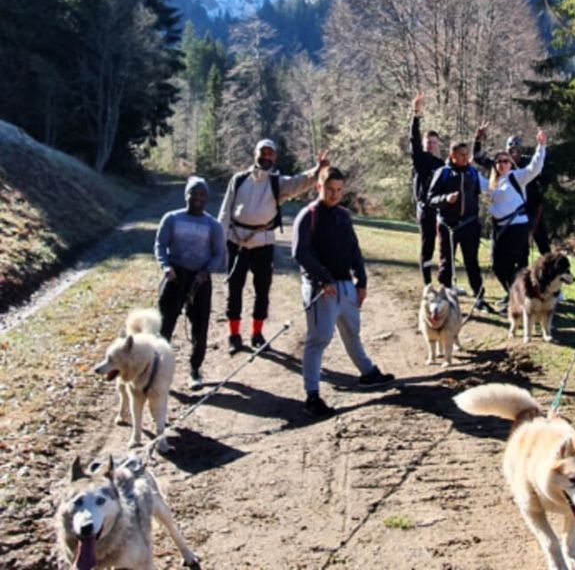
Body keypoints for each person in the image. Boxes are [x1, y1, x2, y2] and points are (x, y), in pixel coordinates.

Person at [292, 165, 395, 417]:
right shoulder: (308, 216)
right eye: (329, 189)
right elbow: (300, 252)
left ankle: (368, 373)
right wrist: (323, 279)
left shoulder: (343, 216)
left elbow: (353, 249)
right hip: (320, 289)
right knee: (319, 340)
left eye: (339, 190)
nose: (334, 195)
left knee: (352, 332)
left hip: (346, 286)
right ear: (319, 187)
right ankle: (312, 396)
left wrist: (361, 282)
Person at [218, 139, 325, 356]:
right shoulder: (239, 180)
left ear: (275, 157)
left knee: (262, 289)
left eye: (270, 154)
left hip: (264, 242)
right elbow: (225, 211)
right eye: (262, 153)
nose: (266, 157)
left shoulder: (278, 183)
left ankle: (257, 334)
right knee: (234, 288)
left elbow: (299, 182)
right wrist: (218, 242)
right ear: (254, 154)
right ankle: (234, 335)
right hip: (236, 240)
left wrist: (317, 170)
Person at [154, 176, 225, 389]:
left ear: (207, 198)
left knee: (200, 328)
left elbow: (218, 253)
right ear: (186, 195)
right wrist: (166, 267)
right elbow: (160, 245)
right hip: (176, 277)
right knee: (165, 325)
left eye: (202, 194)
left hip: (200, 279)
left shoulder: (213, 225)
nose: (198, 198)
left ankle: (195, 370)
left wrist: (207, 272)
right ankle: (158, 370)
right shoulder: (171, 218)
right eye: (194, 193)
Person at [476, 130, 548, 313]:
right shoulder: (491, 183)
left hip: (517, 228)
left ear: (511, 164)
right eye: (498, 161)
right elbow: (474, 165)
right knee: (497, 265)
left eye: (505, 161)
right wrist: (477, 140)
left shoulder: (517, 177)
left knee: (514, 265)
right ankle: (516, 296)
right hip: (499, 229)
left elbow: (535, 167)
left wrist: (541, 146)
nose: (502, 164)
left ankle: (520, 299)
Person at [427, 142, 493, 312]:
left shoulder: (472, 173)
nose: (465, 157)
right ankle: (446, 297)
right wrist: (446, 199)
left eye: (466, 154)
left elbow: (476, 195)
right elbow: (431, 199)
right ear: (452, 156)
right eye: (461, 155)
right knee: (446, 262)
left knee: (472, 262)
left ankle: (479, 298)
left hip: (469, 224)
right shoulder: (443, 173)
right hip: (447, 226)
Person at [474, 130, 551, 255]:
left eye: (518, 151)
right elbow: (478, 157)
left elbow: (538, 168)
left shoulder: (527, 163)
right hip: (510, 213)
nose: (514, 154)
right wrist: (478, 139)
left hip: (532, 206)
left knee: (543, 243)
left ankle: (558, 271)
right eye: (511, 151)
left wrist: (541, 146)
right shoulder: (500, 164)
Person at [409, 92, 444, 285]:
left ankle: (447, 281)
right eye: (427, 142)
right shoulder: (421, 160)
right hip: (426, 211)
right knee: (427, 247)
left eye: (433, 142)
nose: (430, 145)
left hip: (441, 211)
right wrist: (416, 114)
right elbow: (413, 139)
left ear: (438, 143)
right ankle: (427, 284)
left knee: (446, 248)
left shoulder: (441, 164)